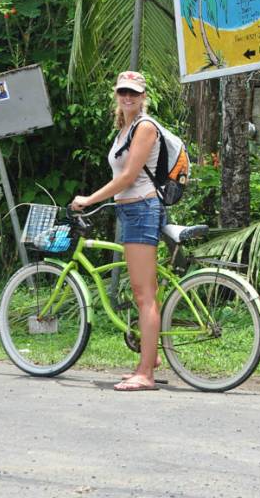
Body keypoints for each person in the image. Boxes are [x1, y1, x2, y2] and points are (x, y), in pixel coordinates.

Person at [72, 70, 164, 391]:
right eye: (123, 92)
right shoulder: (125, 128)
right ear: (117, 95)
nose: (128, 98)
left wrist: (89, 199)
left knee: (144, 295)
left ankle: (146, 375)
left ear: (143, 97)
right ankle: (150, 359)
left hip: (141, 210)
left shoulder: (145, 127)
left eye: (134, 93)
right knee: (146, 292)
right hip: (131, 210)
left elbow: (127, 178)